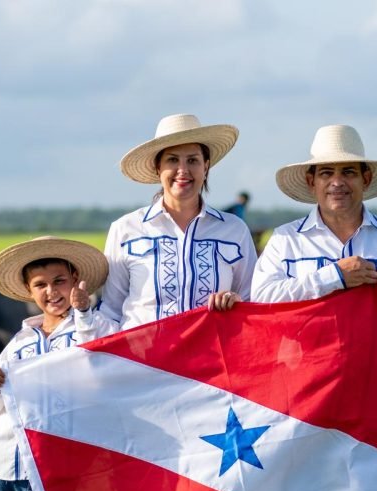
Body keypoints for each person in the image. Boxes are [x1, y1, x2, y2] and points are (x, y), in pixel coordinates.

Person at [251, 125, 377, 460]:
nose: (337, 182)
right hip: (300, 399)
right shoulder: (285, 242)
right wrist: (332, 277)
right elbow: (262, 303)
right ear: (312, 182)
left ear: (366, 179)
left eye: (348, 172)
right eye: (326, 172)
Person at [76, 113, 257, 336]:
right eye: (172, 160)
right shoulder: (125, 229)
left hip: (212, 364)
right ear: (157, 167)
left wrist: (236, 301)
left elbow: (253, 303)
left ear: (206, 166)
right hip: (141, 364)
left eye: (193, 160)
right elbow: (111, 311)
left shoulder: (234, 230)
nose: (183, 170)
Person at [0, 236, 108, 491]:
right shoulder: (18, 343)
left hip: (62, 467)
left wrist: (83, 314)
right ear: (29, 290)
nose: (51, 291)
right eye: (40, 284)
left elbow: (99, 365)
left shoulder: (98, 326)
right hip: (2, 465)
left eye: (59, 281)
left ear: (75, 279)